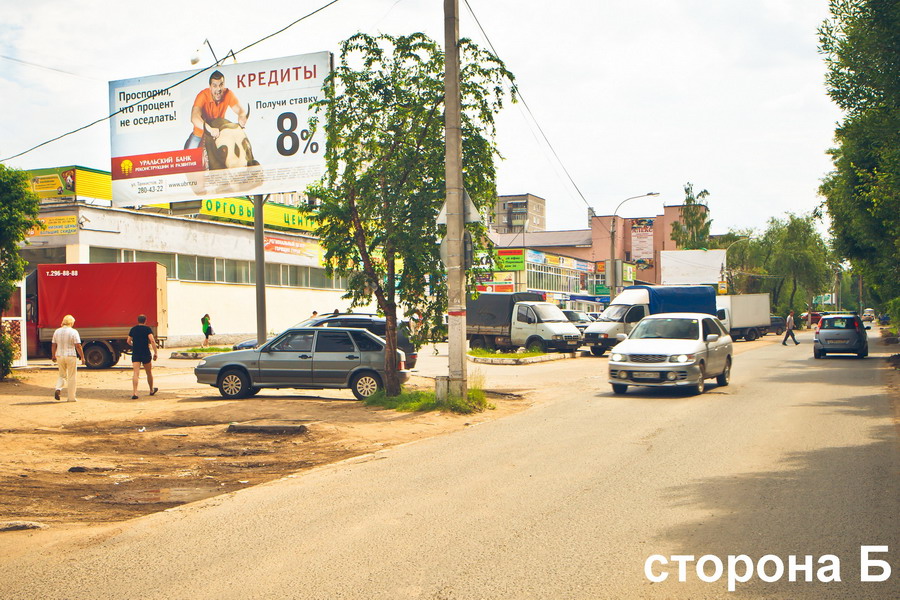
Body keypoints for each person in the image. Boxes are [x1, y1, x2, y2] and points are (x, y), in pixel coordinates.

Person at [183, 70, 248, 150]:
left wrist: (241, 116)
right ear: (210, 87)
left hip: (219, 133)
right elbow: (194, 117)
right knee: (190, 154)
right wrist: (210, 129)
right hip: (200, 134)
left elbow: (240, 110)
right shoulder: (202, 95)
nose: (218, 89)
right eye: (215, 86)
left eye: (221, 85)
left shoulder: (228, 93)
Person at [51, 314, 85, 402]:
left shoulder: (57, 331)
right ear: (71, 322)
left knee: (62, 375)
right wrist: (82, 357)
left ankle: (58, 388)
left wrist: (53, 355)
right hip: (70, 355)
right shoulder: (74, 332)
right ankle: (71, 397)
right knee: (71, 376)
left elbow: (54, 344)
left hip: (59, 355)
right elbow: (78, 345)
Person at [128, 314, 159, 399]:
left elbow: (128, 341)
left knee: (135, 373)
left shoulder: (133, 329)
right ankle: (151, 390)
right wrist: (155, 352)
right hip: (145, 353)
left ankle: (135, 393)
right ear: (145, 321)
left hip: (136, 353)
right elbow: (152, 340)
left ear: (138, 320)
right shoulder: (147, 329)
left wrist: (134, 345)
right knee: (148, 372)